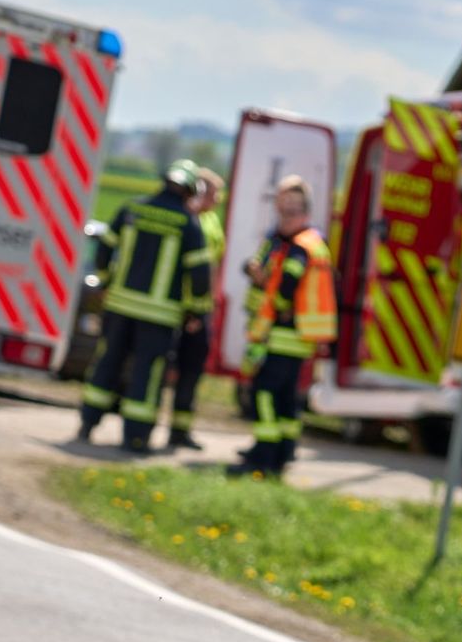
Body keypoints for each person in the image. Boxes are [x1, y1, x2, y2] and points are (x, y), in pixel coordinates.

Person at [77, 159, 212, 453]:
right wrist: (196, 312)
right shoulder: (188, 224)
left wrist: (103, 281)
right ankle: (135, 438)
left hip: (119, 307)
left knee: (106, 363)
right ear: (189, 191)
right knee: (146, 375)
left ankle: (87, 425)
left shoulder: (131, 209)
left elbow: (104, 247)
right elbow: (200, 275)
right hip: (159, 317)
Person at [227, 176, 336, 477]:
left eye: (289, 211)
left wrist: (266, 288)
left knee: (264, 394)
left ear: (302, 213)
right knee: (287, 399)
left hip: (283, 335)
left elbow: (287, 288)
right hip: (296, 336)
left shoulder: (301, 245)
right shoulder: (294, 241)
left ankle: (263, 458)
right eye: (280, 207)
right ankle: (283, 452)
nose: (282, 216)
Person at [166, 167, 225, 450]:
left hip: (201, 311)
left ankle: (180, 431)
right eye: (214, 193)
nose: (218, 199)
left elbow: (212, 267)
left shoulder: (211, 222)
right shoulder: (186, 220)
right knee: (163, 371)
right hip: (178, 308)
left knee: (191, 374)